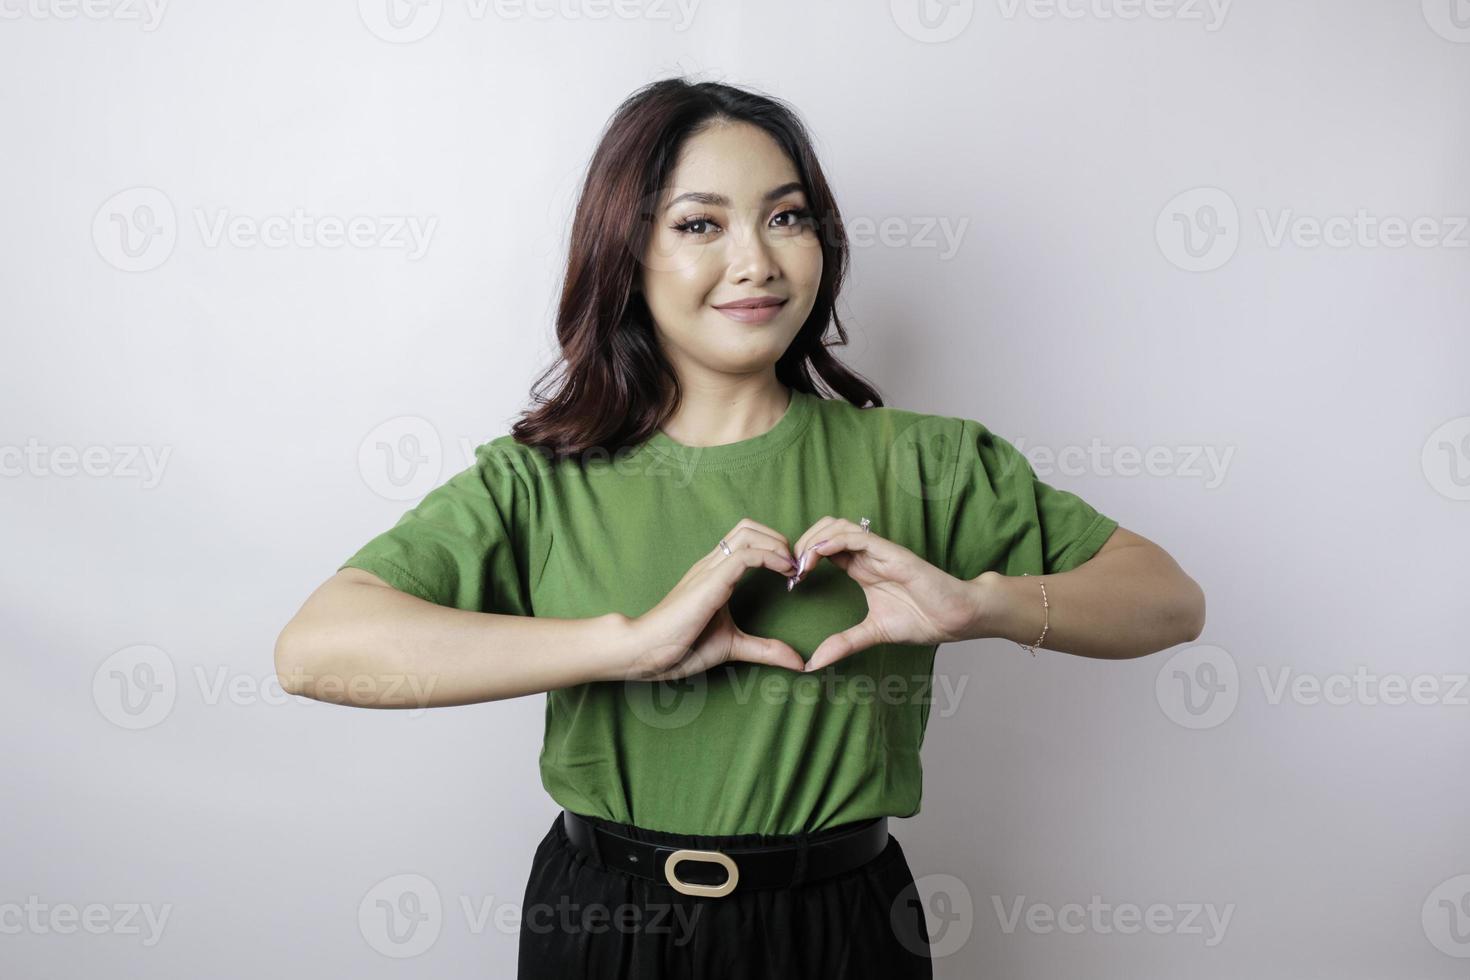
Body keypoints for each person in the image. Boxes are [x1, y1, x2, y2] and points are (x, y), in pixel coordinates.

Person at [274, 76, 1206, 979]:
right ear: (626, 252)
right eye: (700, 224)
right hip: (604, 923)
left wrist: (982, 604)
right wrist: (627, 645)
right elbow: (315, 651)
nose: (757, 260)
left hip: (846, 926)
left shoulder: (930, 460)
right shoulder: (538, 480)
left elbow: (1168, 599)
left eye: (788, 216)